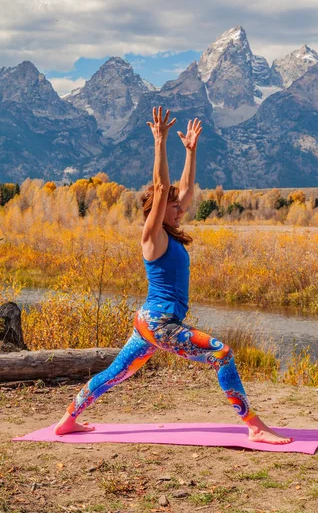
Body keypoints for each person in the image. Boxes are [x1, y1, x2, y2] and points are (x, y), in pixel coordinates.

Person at [54, 106, 292, 445]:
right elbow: (162, 185)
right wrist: (160, 141)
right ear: (158, 207)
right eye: (174, 206)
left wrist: (191, 152)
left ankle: (66, 421)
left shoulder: (169, 231)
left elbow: (184, 188)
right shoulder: (152, 235)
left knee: (115, 375)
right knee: (221, 353)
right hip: (160, 324)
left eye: (180, 206)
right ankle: (254, 426)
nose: (181, 209)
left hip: (149, 323)